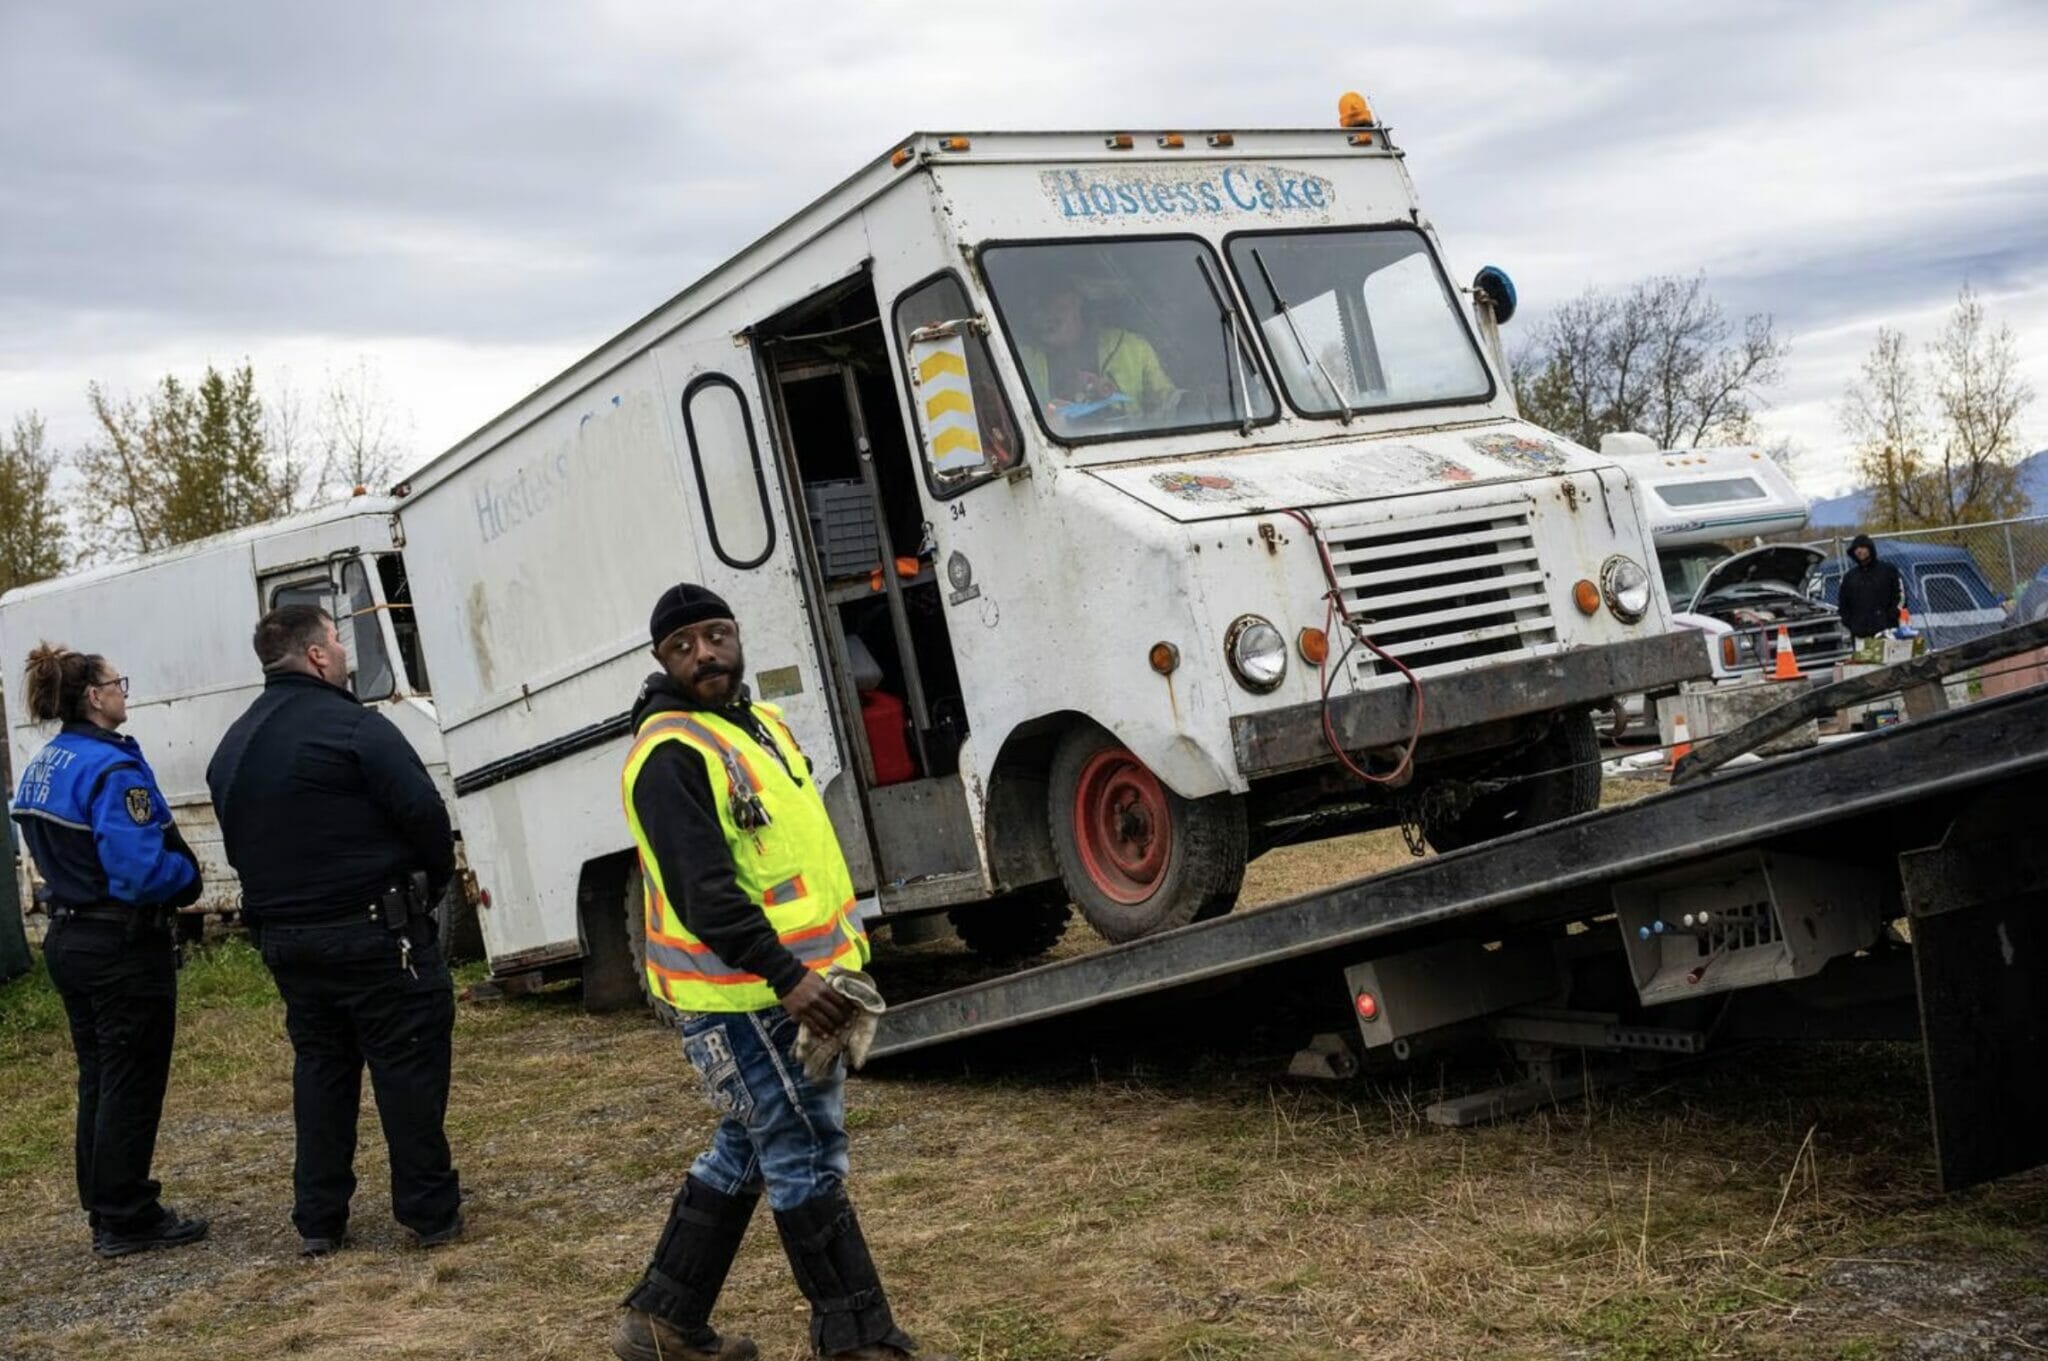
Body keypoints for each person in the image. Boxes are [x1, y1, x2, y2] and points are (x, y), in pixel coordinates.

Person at [613, 584, 950, 1361]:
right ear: (661, 661)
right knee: (803, 1147)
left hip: (797, 984)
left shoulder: (756, 724)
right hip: (747, 996)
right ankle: (858, 1338)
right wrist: (788, 977)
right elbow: (707, 894)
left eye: (715, 634)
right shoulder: (670, 754)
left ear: (735, 635)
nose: (704, 653)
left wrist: (835, 964)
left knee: (751, 1139)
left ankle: (662, 1321)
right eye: (683, 645)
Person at [205, 605, 461, 1256]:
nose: (345, 651)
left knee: (320, 1072)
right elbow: (426, 816)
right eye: (337, 639)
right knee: (406, 1063)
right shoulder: (354, 727)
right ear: (316, 655)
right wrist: (429, 888)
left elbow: (238, 843)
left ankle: (319, 1219)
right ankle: (429, 1212)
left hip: (290, 941)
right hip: (376, 933)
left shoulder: (231, 746)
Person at [9, 644, 208, 1258]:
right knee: (131, 1078)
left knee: (99, 1076)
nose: (125, 689)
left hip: (70, 936)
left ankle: (105, 1205)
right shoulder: (110, 768)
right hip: (120, 941)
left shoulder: (45, 761)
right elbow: (140, 872)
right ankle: (127, 1213)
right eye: (116, 682)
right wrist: (187, 874)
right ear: (94, 697)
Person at [1018, 286, 1176, 426]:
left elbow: (1168, 403)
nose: (1041, 312)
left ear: (1074, 301)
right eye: (1034, 305)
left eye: (1048, 300)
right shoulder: (1018, 360)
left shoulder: (1130, 345)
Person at [1836, 534, 1906, 639]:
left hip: (1887, 631)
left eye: (1863, 547)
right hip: (1860, 634)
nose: (1859, 551)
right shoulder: (1849, 577)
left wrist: (1891, 616)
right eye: (1856, 549)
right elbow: (1843, 605)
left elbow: (1901, 596)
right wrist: (1851, 624)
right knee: (1863, 656)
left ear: (1870, 549)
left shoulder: (1888, 570)